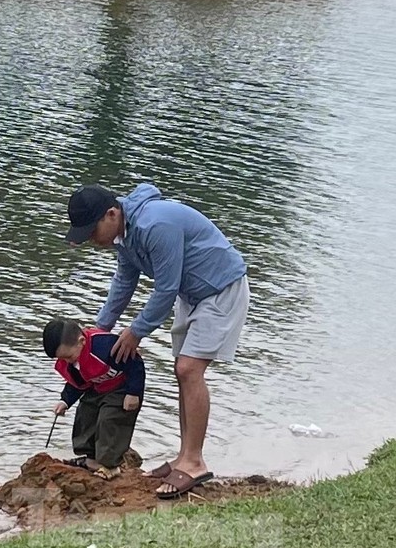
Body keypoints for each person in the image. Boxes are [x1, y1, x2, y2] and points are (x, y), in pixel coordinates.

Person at [64, 182, 248, 500]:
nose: (91, 240)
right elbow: (124, 280)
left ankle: (194, 462)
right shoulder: (124, 235)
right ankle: (184, 456)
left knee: (190, 369)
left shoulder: (155, 224)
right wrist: (98, 330)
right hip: (192, 294)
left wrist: (136, 332)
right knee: (182, 370)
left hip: (220, 287)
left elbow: (165, 287)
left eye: (91, 231)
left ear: (111, 214)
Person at [43, 316, 145, 477]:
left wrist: (133, 393)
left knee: (110, 420)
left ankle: (110, 466)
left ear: (81, 341)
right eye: (61, 359)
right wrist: (65, 401)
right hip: (98, 387)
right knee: (85, 414)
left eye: (68, 357)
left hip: (121, 387)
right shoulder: (72, 360)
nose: (67, 362)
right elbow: (76, 383)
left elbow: (135, 364)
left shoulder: (105, 346)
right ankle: (91, 458)